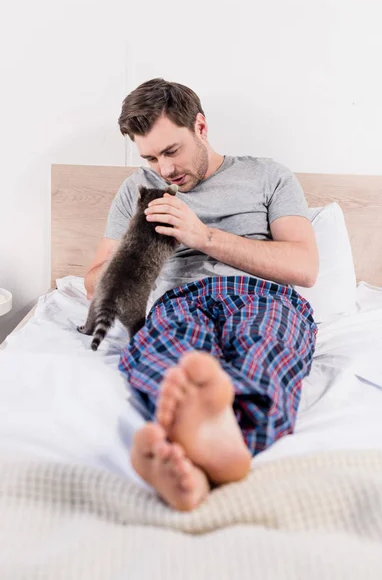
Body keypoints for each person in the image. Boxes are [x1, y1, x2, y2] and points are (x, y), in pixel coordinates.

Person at [84, 78, 319, 511]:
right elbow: (94, 281)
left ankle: (199, 451)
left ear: (201, 127)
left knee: (265, 348)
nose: (164, 170)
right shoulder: (137, 190)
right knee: (165, 356)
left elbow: (304, 267)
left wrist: (203, 235)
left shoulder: (268, 175)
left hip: (261, 295)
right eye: (151, 157)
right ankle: (215, 449)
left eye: (171, 151)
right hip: (177, 300)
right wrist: (135, 253)